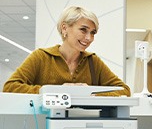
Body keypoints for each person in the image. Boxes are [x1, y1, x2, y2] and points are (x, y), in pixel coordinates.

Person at [2, 6, 130, 96]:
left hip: (84, 125)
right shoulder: (41, 57)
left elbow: (124, 90)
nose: (89, 38)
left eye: (93, 33)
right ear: (64, 28)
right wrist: (54, 91)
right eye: (83, 30)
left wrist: (90, 93)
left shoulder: (92, 61)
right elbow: (10, 87)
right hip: (44, 126)